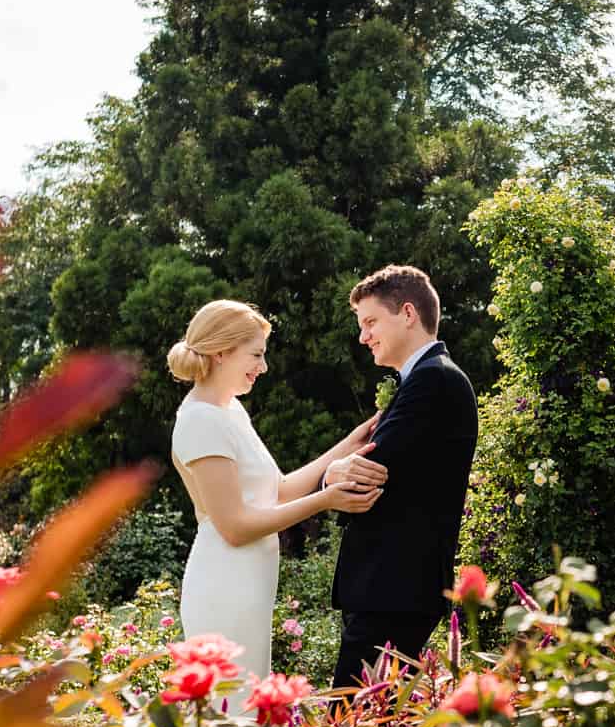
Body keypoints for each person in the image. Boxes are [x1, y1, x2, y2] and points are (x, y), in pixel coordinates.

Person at [168, 299, 385, 684]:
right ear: (221, 352)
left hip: (248, 586)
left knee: (247, 712)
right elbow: (234, 527)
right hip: (224, 587)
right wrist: (327, 499)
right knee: (231, 715)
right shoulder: (200, 420)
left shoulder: (230, 410)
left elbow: (278, 490)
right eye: (256, 355)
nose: (263, 367)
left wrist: (349, 444)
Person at [328, 266, 478, 688]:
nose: (363, 337)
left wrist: (334, 474)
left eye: (370, 322)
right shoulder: (424, 379)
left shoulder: (434, 380)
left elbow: (369, 473)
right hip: (389, 588)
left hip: (394, 588)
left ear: (408, 313)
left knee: (354, 725)